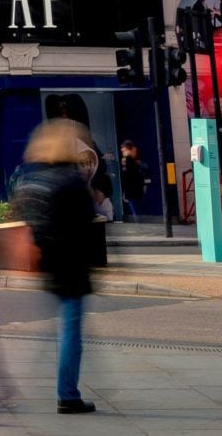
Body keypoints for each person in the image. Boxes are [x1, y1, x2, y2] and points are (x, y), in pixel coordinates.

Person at [14, 119, 101, 415]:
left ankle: (65, 385)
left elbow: (24, 217)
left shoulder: (32, 179)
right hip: (72, 263)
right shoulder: (71, 180)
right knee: (70, 329)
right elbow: (89, 224)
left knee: (67, 325)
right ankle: (68, 394)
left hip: (49, 261)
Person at [117, 140, 146, 223]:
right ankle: (140, 225)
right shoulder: (134, 161)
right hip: (136, 190)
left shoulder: (127, 160)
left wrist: (125, 192)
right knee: (137, 209)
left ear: (129, 150)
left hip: (132, 191)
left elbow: (127, 177)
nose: (122, 150)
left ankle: (140, 226)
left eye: (124, 149)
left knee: (136, 210)